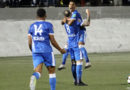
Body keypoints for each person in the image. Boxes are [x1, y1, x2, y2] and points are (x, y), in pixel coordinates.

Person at [28, 8, 66, 90]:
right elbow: (52, 40)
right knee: (51, 72)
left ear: (36, 16)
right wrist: (60, 50)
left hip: (36, 51)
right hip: (47, 51)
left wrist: (33, 51)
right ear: (45, 15)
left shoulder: (31, 26)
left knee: (38, 71)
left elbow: (30, 42)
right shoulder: (49, 25)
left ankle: (34, 77)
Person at [58, 0, 91, 70]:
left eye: (72, 4)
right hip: (72, 35)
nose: (71, 6)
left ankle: (87, 62)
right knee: (66, 47)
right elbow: (62, 22)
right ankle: (63, 64)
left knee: (80, 45)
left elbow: (70, 23)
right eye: (70, 4)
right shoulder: (69, 15)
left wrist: (88, 14)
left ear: (75, 6)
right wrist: (64, 20)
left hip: (80, 32)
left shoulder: (75, 14)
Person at [61, 10, 87, 86]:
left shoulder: (65, 22)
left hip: (69, 44)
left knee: (73, 63)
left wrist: (64, 20)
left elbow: (63, 22)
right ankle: (79, 81)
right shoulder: (74, 22)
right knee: (79, 62)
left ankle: (75, 80)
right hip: (76, 44)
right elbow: (85, 24)